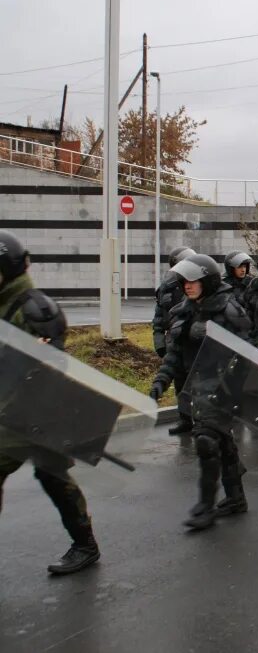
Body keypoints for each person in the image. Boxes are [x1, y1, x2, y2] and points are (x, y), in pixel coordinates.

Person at [0, 231, 101, 574]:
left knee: (53, 476)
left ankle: (85, 545)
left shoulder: (35, 309)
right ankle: (85, 543)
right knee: (53, 477)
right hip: (8, 411)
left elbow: (49, 366)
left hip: (34, 414)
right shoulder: (4, 303)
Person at [149, 253, 253, 531]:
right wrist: (160, 382)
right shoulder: (184, 310)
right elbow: (173, 355)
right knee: (223, 443)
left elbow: (245, 353)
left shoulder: (228, 310)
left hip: (223, 389)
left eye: (193, 281)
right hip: (197, 388)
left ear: (207, 280)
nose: (187, 286)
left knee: (206, 441)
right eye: (184, 282)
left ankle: (205, 506)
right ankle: (235, 498)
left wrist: (233, 385)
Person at [153, 245, 197, 435]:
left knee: (200, 382)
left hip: (196, 339)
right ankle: (185, 419)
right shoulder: (165, 288)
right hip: (175, 339)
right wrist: (160, 343)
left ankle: (204, 421)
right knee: (180, 382)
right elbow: (158, 318)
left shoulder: (198, 286)